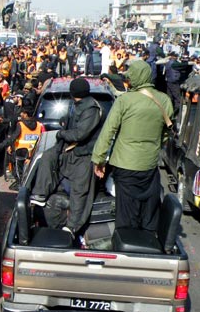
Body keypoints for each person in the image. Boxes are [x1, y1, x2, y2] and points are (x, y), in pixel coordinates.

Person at [92, 60, 174, 232]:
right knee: (148, 207)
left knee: (126, 210)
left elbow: (108, 131)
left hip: (125, 163)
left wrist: (98, 159)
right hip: (149, 164)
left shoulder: (125, 100)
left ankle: (126, 242)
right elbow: (166, 132)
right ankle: (147, 241)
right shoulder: (164, 100)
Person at [30, 77, 103, 238]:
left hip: (84, 155)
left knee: (80, 192)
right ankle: (40, 194)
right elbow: (72, 123)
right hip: (70, 152)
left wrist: (61, 133)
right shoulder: (75, 105)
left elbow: (80, 133)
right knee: (48, 157)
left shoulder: (91, 108)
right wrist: (65, 123)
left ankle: (72, 227)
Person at [0, 108, 44, 181]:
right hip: (34, 152)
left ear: (26, 114)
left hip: (21, 153)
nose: (20, 114)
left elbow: (12, 138)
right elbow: (44, 138)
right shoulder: (39, 125)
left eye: (22, 113)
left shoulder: (21, 124)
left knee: (21, 176)